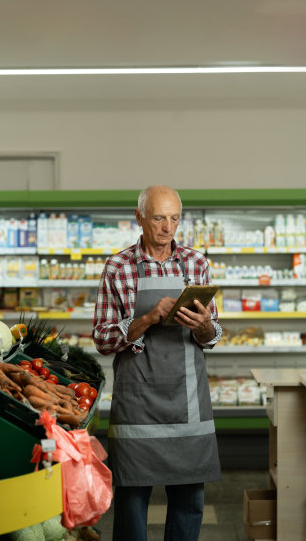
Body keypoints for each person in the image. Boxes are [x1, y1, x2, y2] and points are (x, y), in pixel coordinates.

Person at [93, 185, 222, 541]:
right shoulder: (118, 267)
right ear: (139, 218)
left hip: (188, 402)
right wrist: (148, 319)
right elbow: (103, 339)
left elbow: (213, 335)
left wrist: (204, 325)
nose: (168, 227)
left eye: (174, 218)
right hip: (137, 407)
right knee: (132, 501)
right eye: (158, 217)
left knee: (190, 500)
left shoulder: (197, 263)